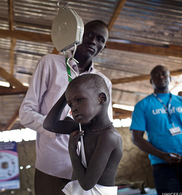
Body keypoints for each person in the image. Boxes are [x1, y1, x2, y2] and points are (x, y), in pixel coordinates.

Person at [19, 20, 113, 195]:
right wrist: (59, 128)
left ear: (103, 48)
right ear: (78, 34)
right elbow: (25, 113)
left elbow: (106, 124)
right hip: (52, 164)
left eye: (100, 40)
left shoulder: (103, 82)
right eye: (89, 34)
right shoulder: (50, 64)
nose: (93, 41)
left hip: (87, 167)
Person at [43, 74, 122, 195]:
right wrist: (67, 93)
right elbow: (49, 125)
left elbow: (86, 184)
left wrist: (72, 150)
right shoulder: (83, 127)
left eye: (79, 100)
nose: (74, 108)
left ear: (101, 98)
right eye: (70, 104)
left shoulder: (109, 136)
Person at [130, 65, 182, 194]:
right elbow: (136, 138)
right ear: (151, 81)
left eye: (164, 74)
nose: (161, 76)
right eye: (156, 75)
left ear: (170, 78)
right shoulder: (142, 105)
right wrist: (163, 156)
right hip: (163, 166)